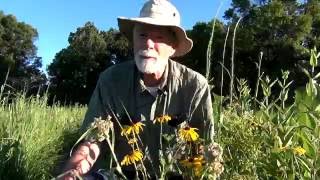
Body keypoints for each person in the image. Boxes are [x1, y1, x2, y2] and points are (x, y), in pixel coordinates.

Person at [61, 0, 213, 179]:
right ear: (133, 39)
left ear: (173, 47)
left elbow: (203, 147)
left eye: (159, 37)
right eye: (142, 35)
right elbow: (92, 141)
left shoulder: (195, 86)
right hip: (124, 175)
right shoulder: (111, 80)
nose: (148, 43)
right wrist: (72, 173)